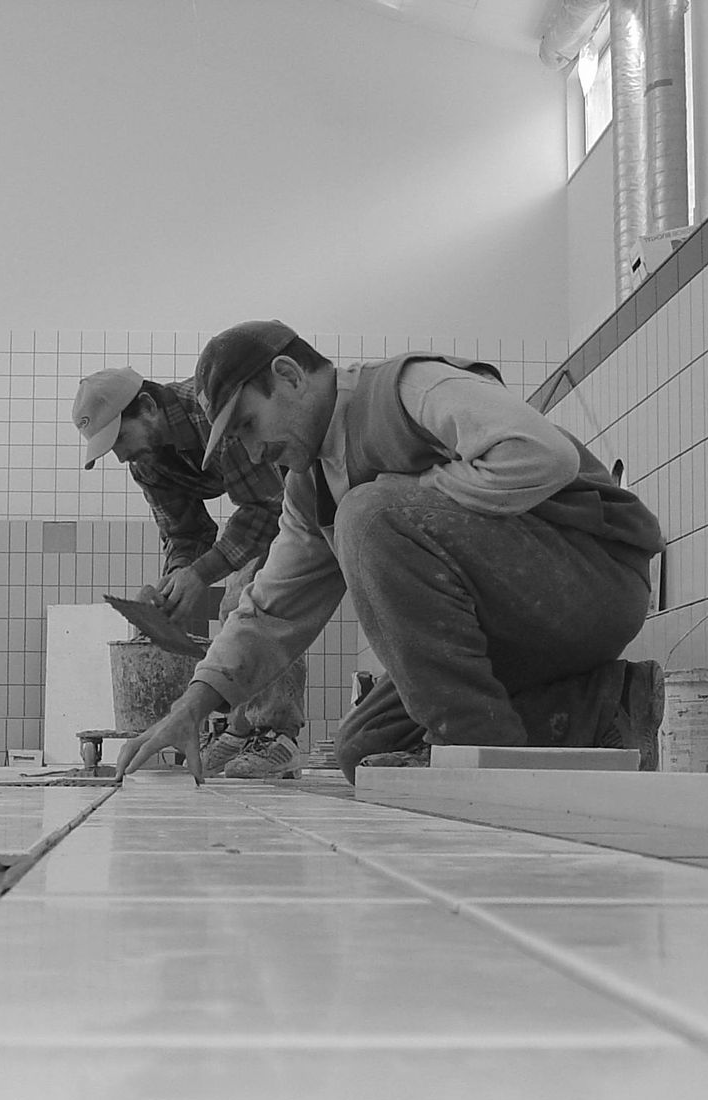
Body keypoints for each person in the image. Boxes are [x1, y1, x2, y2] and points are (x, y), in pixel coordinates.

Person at [115, 320, 666, 784]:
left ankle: (474, 753)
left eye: (249, 424)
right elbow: (271, 609)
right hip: (514, 633)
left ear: (288, 376)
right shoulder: (308, 487)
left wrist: (402, 501)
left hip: (594, 581)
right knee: (366, 750)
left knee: (368, 512)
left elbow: (541, 454)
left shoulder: (407, 388)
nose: (254, 450)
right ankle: (604, 705)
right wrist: (192, 707)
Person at [72, 366, 309, 778]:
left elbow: (267, 507)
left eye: (121, 439)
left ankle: (277, 734)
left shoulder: (210, 411)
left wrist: (201, 574)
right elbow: (186, 532)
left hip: (305, 484)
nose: (123, 456)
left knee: (248, 593)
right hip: (271, 500)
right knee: (235, 604)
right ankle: (240, 728)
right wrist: (176, 578)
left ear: (146, 407)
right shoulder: (147, 462)